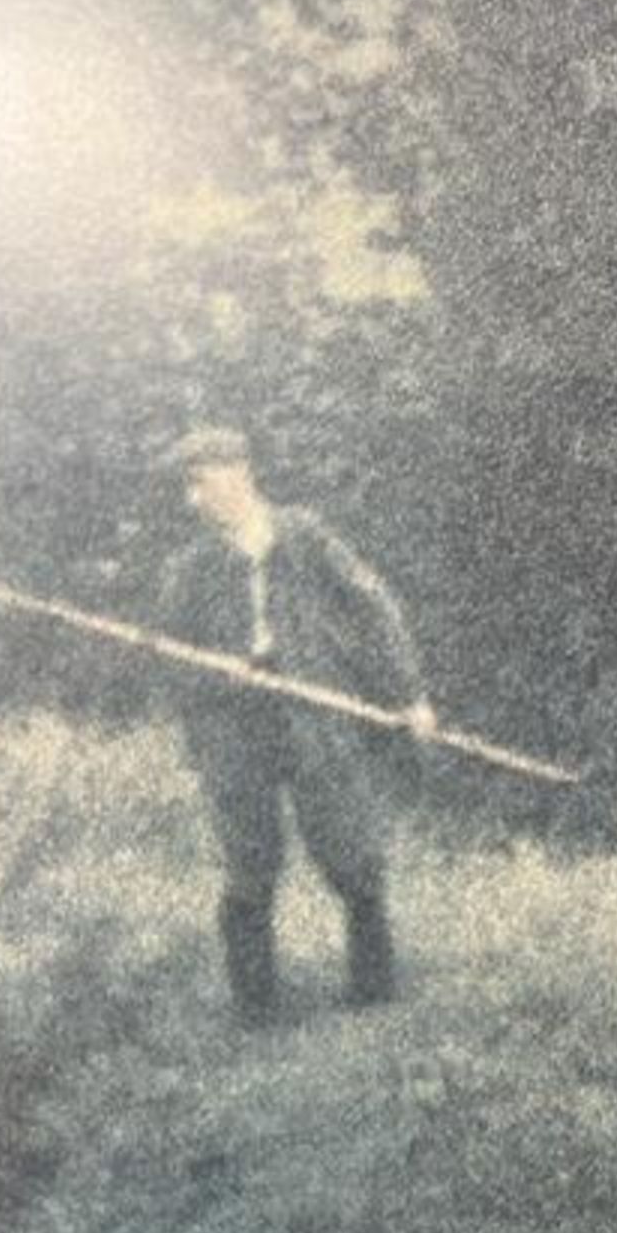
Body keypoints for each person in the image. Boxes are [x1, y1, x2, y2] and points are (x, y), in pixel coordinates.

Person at [159, 426, 439, 1026]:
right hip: (233, 729)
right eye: (187, 487)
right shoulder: (191, 568)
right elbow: (168, 660)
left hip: (313, 711)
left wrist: (409, 695)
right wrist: (217, 675)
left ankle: (374, 989)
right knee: (249, 862)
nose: (193, 500)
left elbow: (374, 609)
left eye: (199, 483)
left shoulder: (305, 538)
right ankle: (255, 1007)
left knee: (350, 850)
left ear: (237, 474)